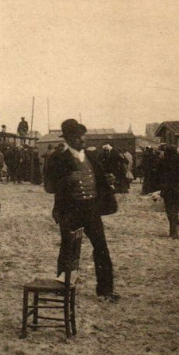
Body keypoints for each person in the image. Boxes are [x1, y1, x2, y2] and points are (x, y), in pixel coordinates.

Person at [45, 119, 118, 302]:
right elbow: (48, 186)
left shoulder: (92, 157)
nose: (83, 139)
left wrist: (107, 180)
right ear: (69, 138)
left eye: (83, 135)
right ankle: (63, 287)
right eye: (79, 136)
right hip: (70, 211)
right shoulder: (57, 158)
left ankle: (105, 291)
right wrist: (66, 180)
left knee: (101, 248)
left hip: (92, 209)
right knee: (68, 249)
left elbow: (100, 180)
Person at [156, 145, 179, 239]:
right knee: (175, 208)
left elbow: (157, 174)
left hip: (166, 188)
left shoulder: (162, 161)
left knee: (169, 209)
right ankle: (175, 227)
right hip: (178, 187)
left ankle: (173, 231)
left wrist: (160, 183)